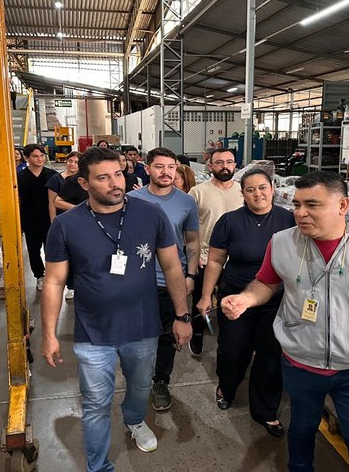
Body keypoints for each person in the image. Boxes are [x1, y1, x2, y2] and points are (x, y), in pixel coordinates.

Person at [221, 171, 349, 472]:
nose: (300, 213)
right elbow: (266, 283)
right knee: (301, 430)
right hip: (301, 362)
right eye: (297, 204)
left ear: (342, 206)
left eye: (312, 205)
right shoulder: (282, 242)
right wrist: (245, 299)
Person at [41, 147, 192, 471]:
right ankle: (98, 466)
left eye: (119, 174)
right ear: (84, 183)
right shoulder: (66, 226)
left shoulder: (150, 215)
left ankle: (134, 419)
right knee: (95, 402)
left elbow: (172, 268)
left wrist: (182, 316)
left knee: (139, 387)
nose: (115, 183)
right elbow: (53, 282)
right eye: (103, 177)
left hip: (142, 327)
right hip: (92, 332)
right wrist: (49, 334)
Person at [196, 168, 295, 437]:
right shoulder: (230, 221)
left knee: (270, 354)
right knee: (233, 350)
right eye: (250, 189)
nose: (257, 194)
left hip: (276, 300)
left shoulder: (289, 219)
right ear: (242, 195)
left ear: (272, 189)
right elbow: (215, 260)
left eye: (262, 187)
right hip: (235, 297)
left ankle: (265, 410)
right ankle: (226, 388)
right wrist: (206, 295)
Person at [130, 147, 200, 411]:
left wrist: (191, 274)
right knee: (137, 336)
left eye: (171, 167)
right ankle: (138, 380)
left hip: (171, 281)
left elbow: (192, 239)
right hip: (138, 282)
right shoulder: (130, 199)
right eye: (159, 167)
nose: (166, 172)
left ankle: (161, 381)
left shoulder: (186, 202)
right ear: (147, 169)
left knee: (168, 337)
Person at [187, 148, 244, 355]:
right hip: (206, 257)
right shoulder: (198, 192)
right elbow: (189, 228)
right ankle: (197, 333)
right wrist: (193, 257)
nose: (225, 166)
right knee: (202, 299)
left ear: (235, 165)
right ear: (210, 166)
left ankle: (230, 338)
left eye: (229, 162)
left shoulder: (243, 191)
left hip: (236, 258)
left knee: (231, 300)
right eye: (219, 162)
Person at [17, 144, 57, 290]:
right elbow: (17, 199)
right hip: (29, 220)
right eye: (35, 156)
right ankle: (39, 276)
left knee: (51, 250)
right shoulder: (20, 177)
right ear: (27, 158)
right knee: (33, 251)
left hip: (49, 219)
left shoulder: (52, 175)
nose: (40, 159)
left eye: (41, 156)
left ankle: (52, 276)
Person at [46, 151, 80, 221]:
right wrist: (53, 220)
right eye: (70, 161)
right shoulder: (55, 179)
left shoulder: (83, 180)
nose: (72, 164)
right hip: (62, 217)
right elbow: (51, 202)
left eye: (76, 162)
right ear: (66, 162)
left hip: (78, 218)